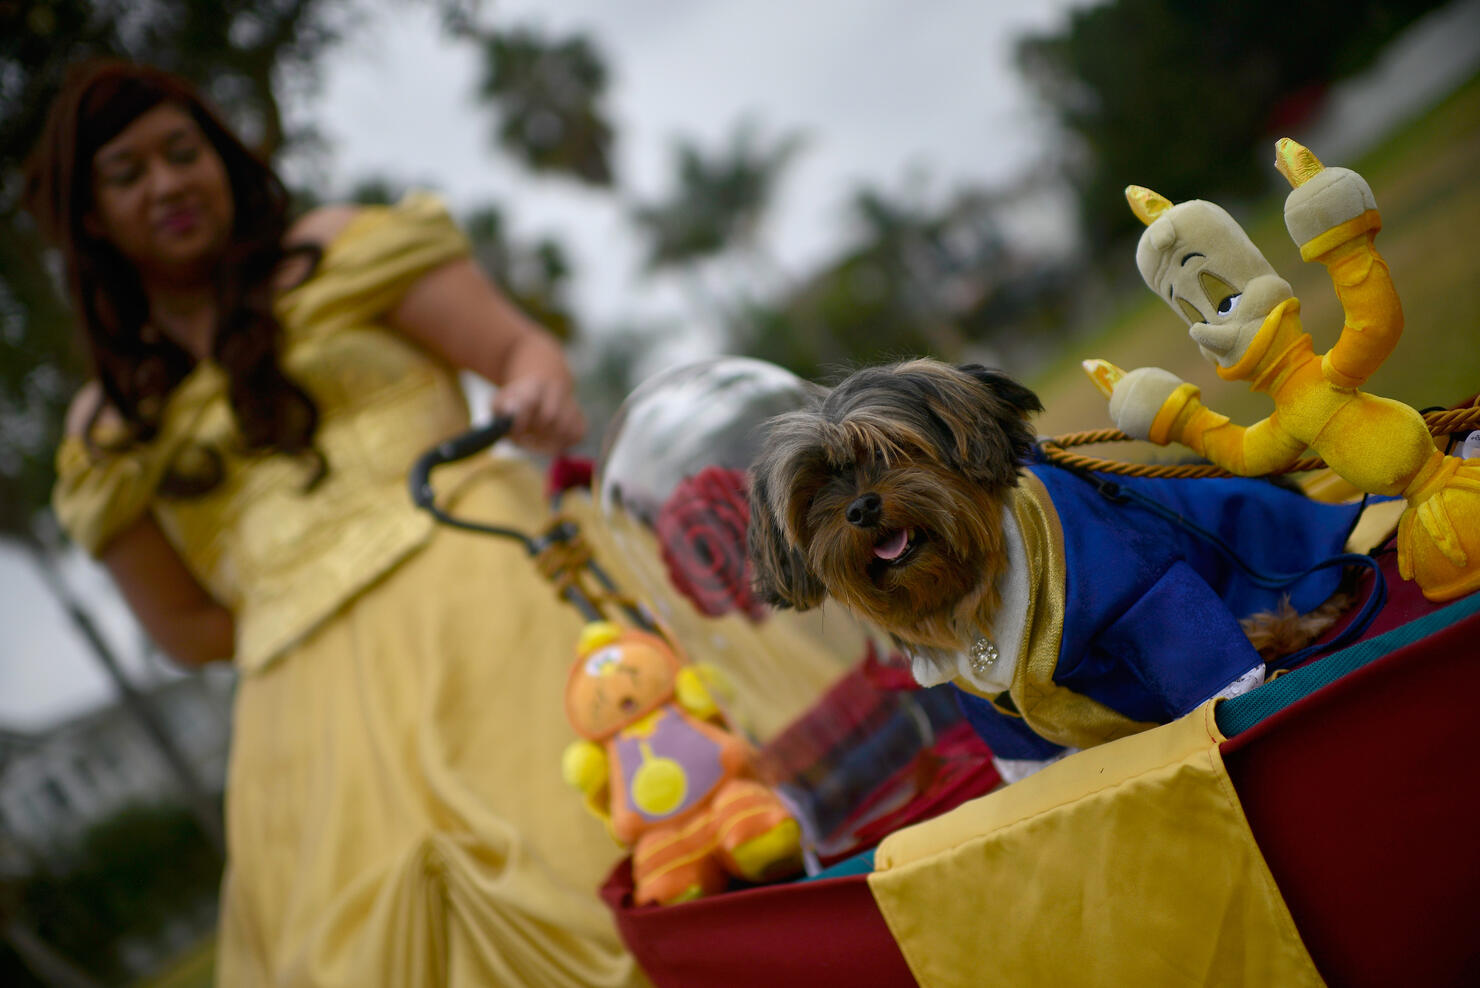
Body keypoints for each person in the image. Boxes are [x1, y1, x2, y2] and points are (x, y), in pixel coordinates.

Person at [25, 59, 648, 987]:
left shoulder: (340, 247)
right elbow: (186, 629)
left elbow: (520, 350)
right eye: (128, 173)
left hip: (494, 590)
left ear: (221, 158)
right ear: (90, 218)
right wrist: (309, 598)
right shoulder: (106, 431)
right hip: (308, 722)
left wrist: (537, 393)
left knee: (596, 850)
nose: (168, 184)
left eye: (183, 153)